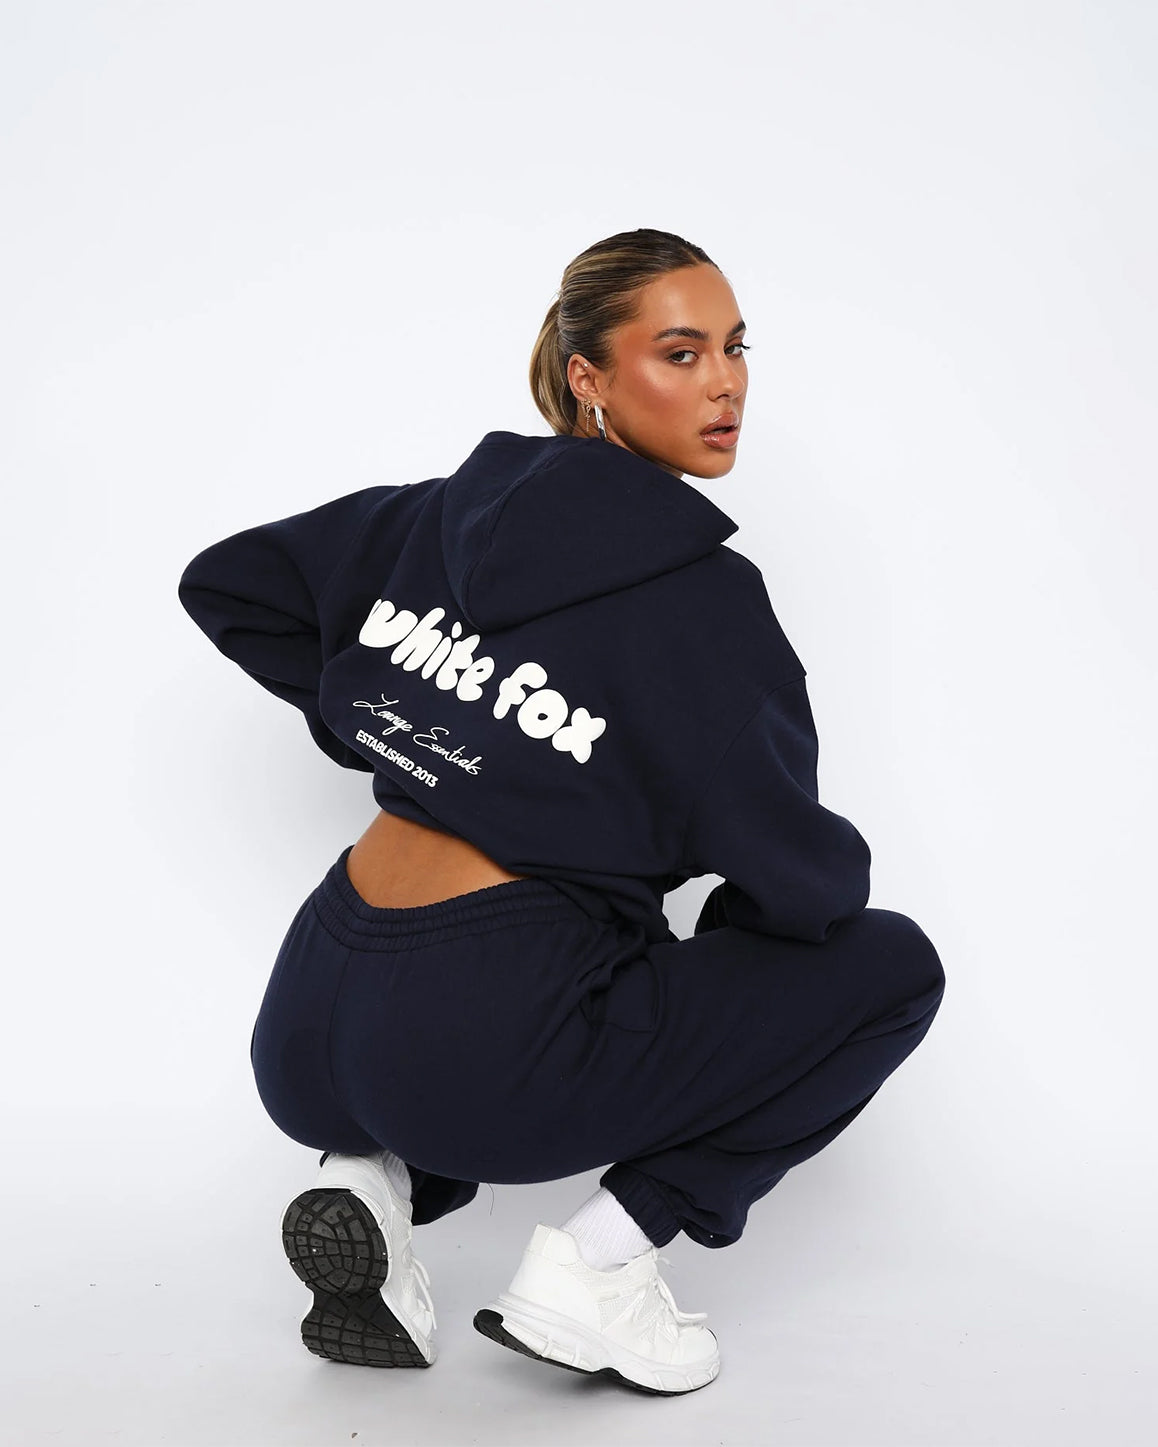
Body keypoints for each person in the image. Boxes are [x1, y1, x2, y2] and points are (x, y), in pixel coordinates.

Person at [177, 227, 946, 1397]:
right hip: (476, 1043)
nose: (726, 383)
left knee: (529, 989)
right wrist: (685, 912)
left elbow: (235, 584)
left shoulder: (437, 515)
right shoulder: (705, 605)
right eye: (680, 353)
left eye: (735, 349)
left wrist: (405, 728)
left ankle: (371, 1180)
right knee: (889, 966)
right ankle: (599, 1265)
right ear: (588, 376)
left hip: (308, 1015)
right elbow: (808, 884)